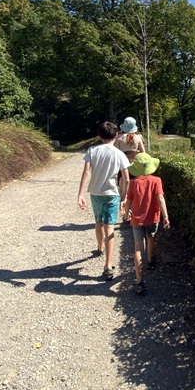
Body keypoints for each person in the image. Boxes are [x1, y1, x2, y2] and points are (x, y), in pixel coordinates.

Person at [77, 121, 130, 280]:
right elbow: (126, 179)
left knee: (98, 222)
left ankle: (99, 247)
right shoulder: (119, 153)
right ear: (116, 135)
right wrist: (123, 197)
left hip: (95, 193)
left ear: (99, 136)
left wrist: (80, 194)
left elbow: (86, 173)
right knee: (110, 228)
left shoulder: (92, 150)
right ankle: (108, 264)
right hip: (112, 194)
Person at [122, 153, 170, 296]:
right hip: (153, 218)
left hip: (137, 219)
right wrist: (166, 217)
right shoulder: (156, 180)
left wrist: (126, 214)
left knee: (138, 247)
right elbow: (160, 198)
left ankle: (139, 281)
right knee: (151, 238)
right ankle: (150, 260)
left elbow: (128, 201)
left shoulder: (133, 183)